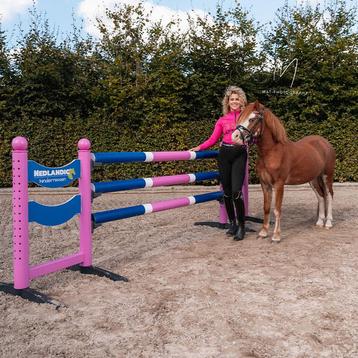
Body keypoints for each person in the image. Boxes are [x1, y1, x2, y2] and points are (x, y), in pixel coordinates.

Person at [190, 86, 248, 241]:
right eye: (232, 99)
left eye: (237, 99)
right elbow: (212, 139)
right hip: (224, 154)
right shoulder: (222, 120)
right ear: (228, 102)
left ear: (242, 101)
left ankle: (242, 227)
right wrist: (199, 148)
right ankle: (233, 223)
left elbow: (253, 136)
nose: (234, 102)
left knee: (236, 192)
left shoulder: (246, 118)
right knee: (227, 193)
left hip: (239, 155)